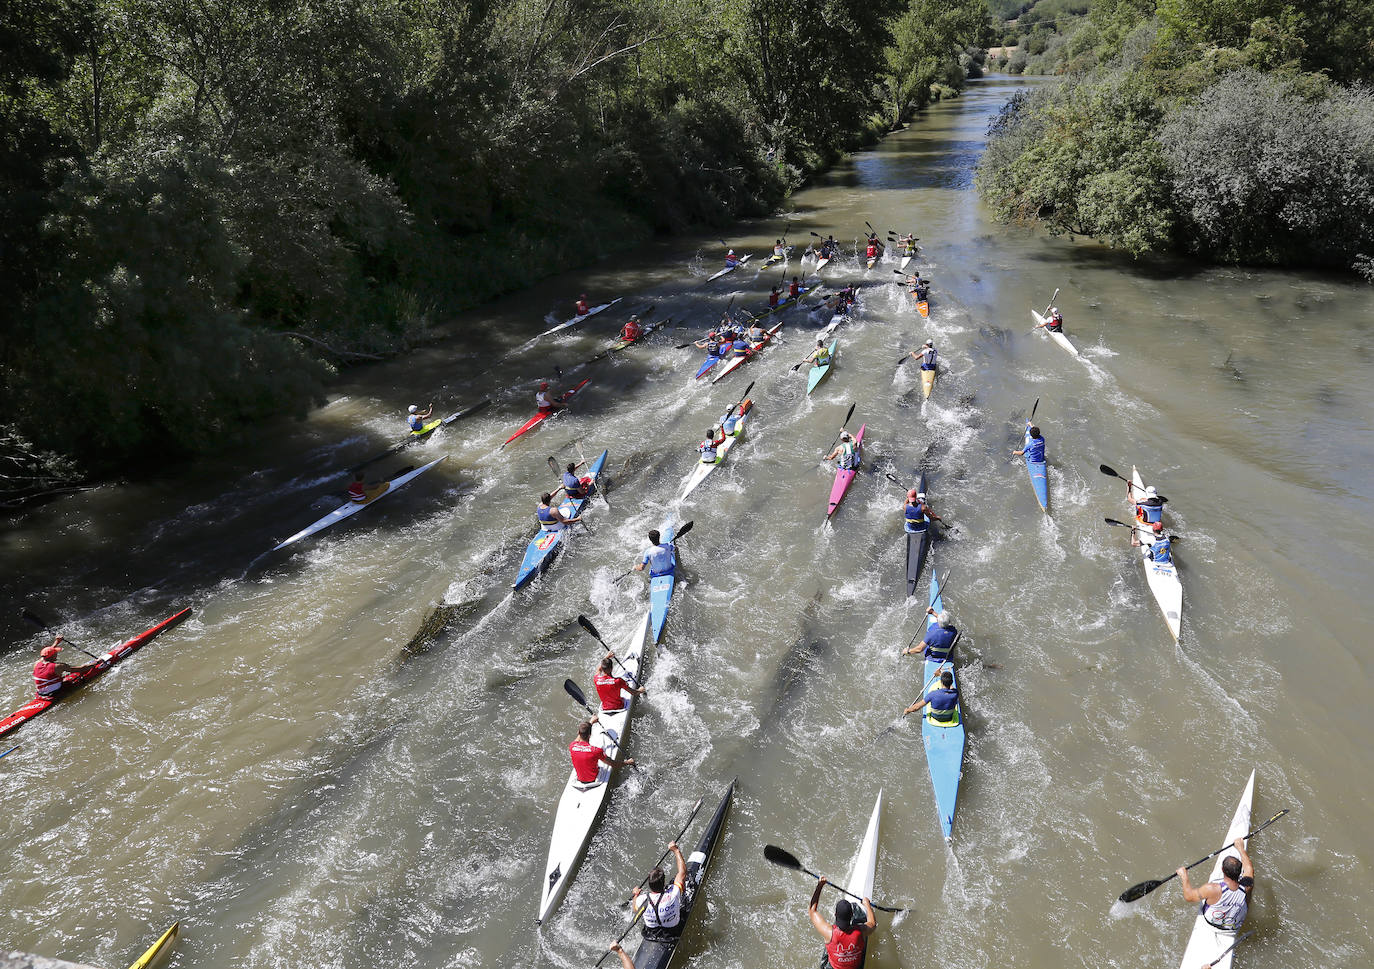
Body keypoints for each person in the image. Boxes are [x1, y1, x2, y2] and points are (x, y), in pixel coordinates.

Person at [1178, 838, 1254, 933]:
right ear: (1240, 872)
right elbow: (1249, 868)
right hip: (1233, 928)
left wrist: (1184, 876)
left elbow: (1188, 897)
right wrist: (1241, 848)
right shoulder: (1248, 885)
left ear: (1222, 869)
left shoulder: (1212, 889)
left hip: (1210, 923)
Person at [809, 875, 875, 969]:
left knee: (829, 943)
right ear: (852, 915)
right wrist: (867, 905)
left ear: (835, 914)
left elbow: (812, 911)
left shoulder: (828, 932)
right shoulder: (861, 931)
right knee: (863, 926)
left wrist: (819, 886)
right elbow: (872, 924)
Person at [634, 842, 686, 939]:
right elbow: (682, 873)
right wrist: (676, 850)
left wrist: (636, 894)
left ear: (649, 885)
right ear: (663, 883)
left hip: (652, 933)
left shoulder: (641, 899)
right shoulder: (673, 893)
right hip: (673, 931)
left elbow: (635, 909)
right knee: (684, 890)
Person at [568, 719, 634, 785]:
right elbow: (613, 764)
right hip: (594, 780)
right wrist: (628, 762)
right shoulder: (596, 750)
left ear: (578, 733)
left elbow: (579, 736)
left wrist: (591, 722)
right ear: (590, 735)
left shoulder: (572, 746)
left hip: (580, 780)